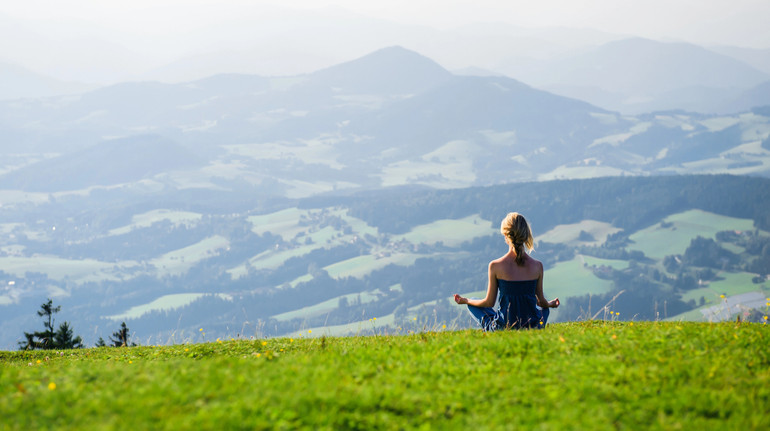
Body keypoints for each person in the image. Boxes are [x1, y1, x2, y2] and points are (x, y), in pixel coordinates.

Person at [454, 212, 559, 331]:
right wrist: (551, 304)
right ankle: (536, 325)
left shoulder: (495, 266)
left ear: (505, 235)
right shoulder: (537, 266)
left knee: (473, 301)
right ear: (526, 235)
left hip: (504, 327)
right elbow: (541, 302)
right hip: (533, 326)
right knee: (544, 310)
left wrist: (465, 300)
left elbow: (488, 303)